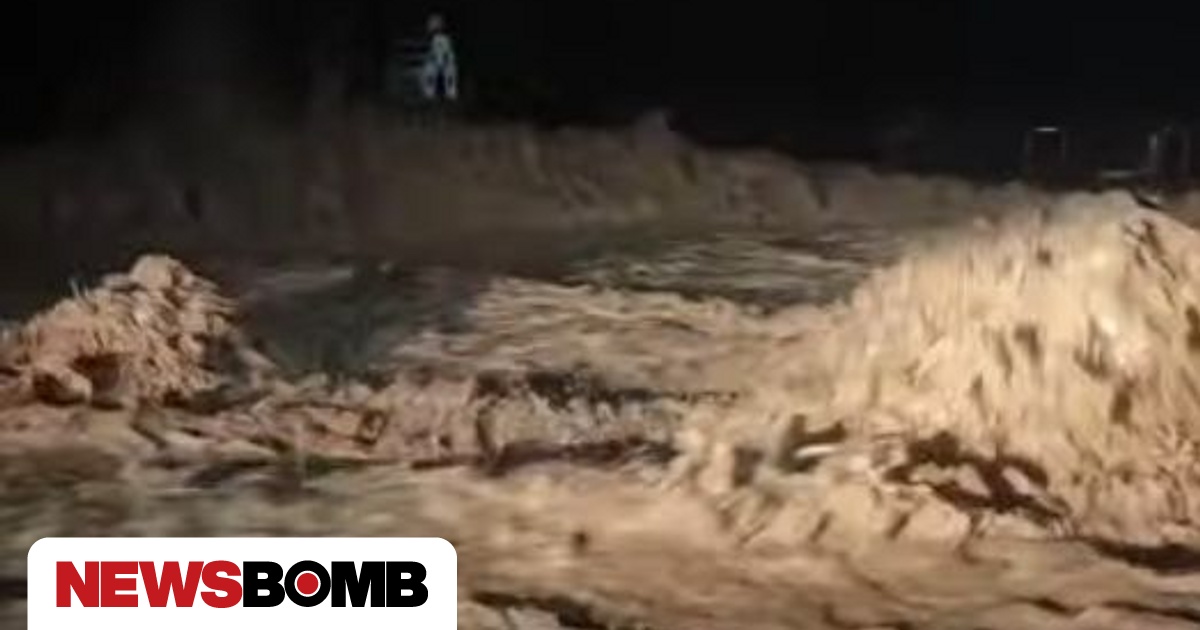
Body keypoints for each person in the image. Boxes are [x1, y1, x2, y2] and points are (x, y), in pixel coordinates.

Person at [420, 13, 458, 102]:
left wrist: (441, 64)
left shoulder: (443, 39)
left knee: (448, 76)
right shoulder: (432, 39)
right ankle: (430, 95)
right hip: (437, 64)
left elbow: (446, 54)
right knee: (429, 73)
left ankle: (449, 95)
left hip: (444, 64)